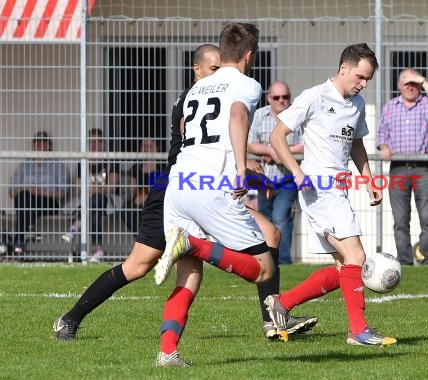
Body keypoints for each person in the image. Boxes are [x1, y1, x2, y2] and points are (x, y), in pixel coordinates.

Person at [53, 42, 315, 361]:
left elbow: (219, 138)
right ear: (198, 70)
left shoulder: (211, 94)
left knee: (266, 235)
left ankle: (271, 320)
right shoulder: (192, 98)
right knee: (139, 266)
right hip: (179, 187)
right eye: (215, 68)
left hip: (202, 186)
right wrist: (247, 166)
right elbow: (196, 147)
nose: (222, 74)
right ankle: (70, 318)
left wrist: (251, 159)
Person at [154, 23, 320, 365]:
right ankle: (192, 244)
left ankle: (167, 352)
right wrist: (241, 167)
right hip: (212, 186)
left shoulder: (197, 89)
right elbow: (237, 114)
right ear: (249, 56)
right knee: (263, 269)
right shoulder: (246, 84)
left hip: (180, 184)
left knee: (190, 275)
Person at [261, 43, 396, 346]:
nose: (363, 85)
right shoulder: (315, 97)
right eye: (360, 77)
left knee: (344, 269)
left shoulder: (357, 104)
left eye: (368, 81)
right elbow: (277, 135)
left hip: (341, 189)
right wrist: (297, 172)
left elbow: (357, 143)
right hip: (319, 190)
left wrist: (370, 180)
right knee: (357, 257)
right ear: (344, 68)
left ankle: (281, 304)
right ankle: (358, 330)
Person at [376, 68, 428, 265]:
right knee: (400, 219)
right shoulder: (390, 107)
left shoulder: (426, 104)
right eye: (407, 84)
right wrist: (384, 146)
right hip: (398, 168)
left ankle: (427, 261)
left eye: (414, 84)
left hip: (423, 168)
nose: (410, 88)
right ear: (399, 86)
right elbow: (382, 134)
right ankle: (404, 262)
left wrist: (421, 79)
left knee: (427, 217)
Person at [247, 80, 303, 264]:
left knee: (281, 218)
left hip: (287, 178)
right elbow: (248, 143)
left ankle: (283, 261)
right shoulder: (259, 115)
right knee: (266, 221)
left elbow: (305, 145)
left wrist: (281, 150)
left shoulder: (297, 115)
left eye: (285, 97)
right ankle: (268, 260)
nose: (281, 100)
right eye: (276, 97)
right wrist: (270, 150)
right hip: (264, 179)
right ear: (268, 98)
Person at [60, 128, 123, 263]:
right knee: (94, 207)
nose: (95, 144)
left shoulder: (111, 160)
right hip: (91, 202)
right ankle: (97, 249)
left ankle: (75, 226)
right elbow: (78, 189)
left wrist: (91, 189)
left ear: (104, 143)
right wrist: (96, 189)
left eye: (98, 141)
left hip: (108, 201)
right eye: (92, 141)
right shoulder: (83, 161)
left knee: (96, 200)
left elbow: (111, 187)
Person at [9, 131, 70, 254]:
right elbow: (12, 192)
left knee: (25, 206)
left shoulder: (58, 164)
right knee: (23, 197)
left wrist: (43, 192)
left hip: (49, 202)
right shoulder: (25, 164)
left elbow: (64, 192)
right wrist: (27, 189)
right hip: (27, 201)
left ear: (49, 145)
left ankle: (19, 241)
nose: (39, 143)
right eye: (36, 141)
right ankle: (24, 237)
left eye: (43, 141)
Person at [121, 138, 165, 234]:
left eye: (149, 146)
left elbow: (162, 192)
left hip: (155, 203)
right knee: (125, 210)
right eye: (143, 146)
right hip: (138, 202)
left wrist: (145, 196)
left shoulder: (162, 168)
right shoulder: (136, 167)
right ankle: (140, 237)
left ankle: (145, 240)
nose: (146, 149)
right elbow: (131, 193)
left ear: (156, 148)